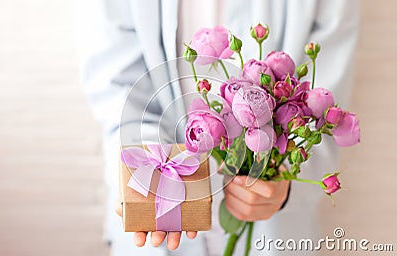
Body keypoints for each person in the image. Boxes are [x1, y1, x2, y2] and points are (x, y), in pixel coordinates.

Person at [74, 0, 359, 255]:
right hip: (156, 236)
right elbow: (118, 90)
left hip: (274, 234)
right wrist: (155, 168)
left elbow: (327, 110)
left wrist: (285, 181)